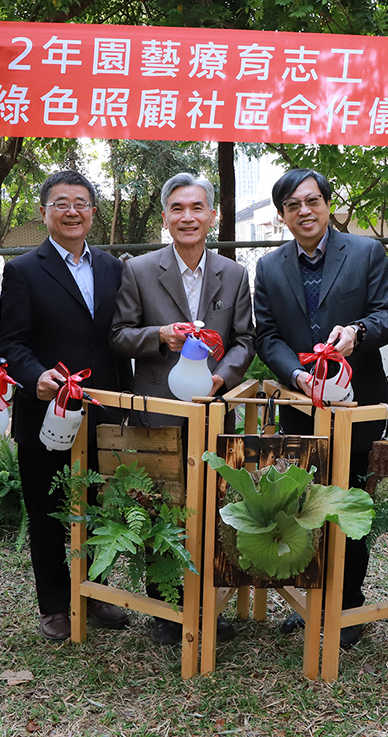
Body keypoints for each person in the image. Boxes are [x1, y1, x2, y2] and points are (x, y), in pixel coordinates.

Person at [252, 167, 388, 648]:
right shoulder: (270, 267)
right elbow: (267, 335)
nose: (304, 211)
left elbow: (387, 316)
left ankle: (349, 607)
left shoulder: (365, 252)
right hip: (301, 406)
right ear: (282, 215)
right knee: (306, 503)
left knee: (352, 504)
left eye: (312, 201)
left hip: (359, 401)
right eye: (292, 206)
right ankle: (313, 597)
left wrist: (358, 332)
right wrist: (294, 375)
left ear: (327, 204)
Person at [110, 172, 255, 644]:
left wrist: (223, 378)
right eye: (177, 208)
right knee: (160, 507)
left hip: (213, 408)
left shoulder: (233, 273)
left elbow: (245, 341)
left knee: (212, 504)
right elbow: (118, 335)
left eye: (197, 208)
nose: (187, 217)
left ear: (211, 215)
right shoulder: (139, 269)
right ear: (166, 217)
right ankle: (165, 610)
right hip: (157, 408)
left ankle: (207, 603)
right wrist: (159, 337)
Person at [0, 170, 132, 641]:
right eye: (61, 203)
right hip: (46, 412)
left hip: (105, 411)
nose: (72, 211)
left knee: (100, 503)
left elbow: (120, 338)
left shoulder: (116, 268)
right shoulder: (24, 270)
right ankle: (55, 603)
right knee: (49, 509)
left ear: (93, 210)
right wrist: (37, 378)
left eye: (81, 203)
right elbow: (10, 344)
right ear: (44, 212)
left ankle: (95, 593)